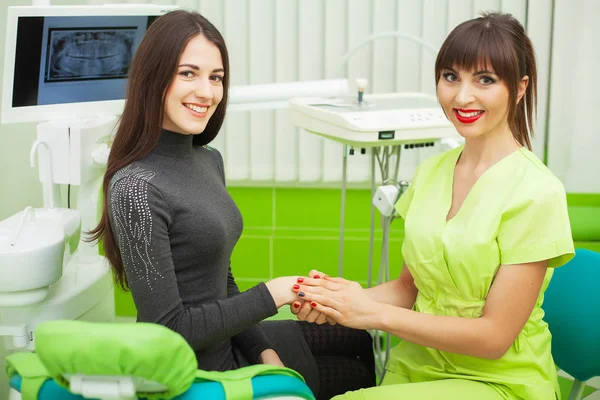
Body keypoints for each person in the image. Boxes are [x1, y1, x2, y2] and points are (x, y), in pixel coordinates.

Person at [89, 10, 375, 400]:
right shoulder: (135, 188)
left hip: (230, 344)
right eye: (187, 73)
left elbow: (221, 281)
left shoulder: (208, 160)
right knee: (353, 375)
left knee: (358, 339)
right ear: (153, 77)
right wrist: (276, 293)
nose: (206, 92)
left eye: (216, 77)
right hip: (192, 374)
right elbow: (168, 328)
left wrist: (264, 351)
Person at [292, 12, 574, 400]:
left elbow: (494, 338)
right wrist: (340, 300)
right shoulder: (431, 173)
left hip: (498, 382)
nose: (462, 96)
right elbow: (410, 287)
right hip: (416, 368)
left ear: (520, 87)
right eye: (451, 76)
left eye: (485, 80)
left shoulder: (537, 192)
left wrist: (371, 315)